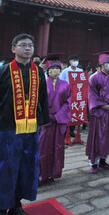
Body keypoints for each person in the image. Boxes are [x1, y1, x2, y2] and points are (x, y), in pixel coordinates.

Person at [0, 33, 49, 215]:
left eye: (31, 45)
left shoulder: (39, 72)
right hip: (6, 128)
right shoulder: (2, 72)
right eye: (23, 45)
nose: (28, 48)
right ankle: (1, 207)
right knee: (5, 168)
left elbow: (43, 98)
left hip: (30, 128)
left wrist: (41, 121)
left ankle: (16, 204)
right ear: (13, 49)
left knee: (25, 167)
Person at [86, 51, 109, 173]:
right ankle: (94, 163)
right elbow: (92, 96)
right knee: (98, 137)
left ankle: (103, 160)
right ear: (102, 64)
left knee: (108, 137)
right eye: (108, 63)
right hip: (100, 113)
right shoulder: (94, 78)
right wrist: (104, 106)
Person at [38, 55, 71, 183]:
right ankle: (40, 175)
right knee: (42, 148)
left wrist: (57, 116)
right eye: (53, 68)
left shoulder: (65, 85)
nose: (55, 71)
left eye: (58, 68)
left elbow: (68, 102)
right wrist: (46, 116)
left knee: (56, 148)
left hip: (57, 122)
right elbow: (38, 103)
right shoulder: (41, 84)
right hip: (44, 123)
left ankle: (52, 173)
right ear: (47, 70)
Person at [60, 55, 83, 136]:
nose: (75, 62)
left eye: (77, 60)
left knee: (75, 112)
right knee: (67, 112)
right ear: (70, 61)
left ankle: (72, 130)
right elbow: (61, 83)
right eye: (74, 60)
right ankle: (65, 129)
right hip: (67, 94)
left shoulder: (80, 71)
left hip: (77, 94)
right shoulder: (65, 71)